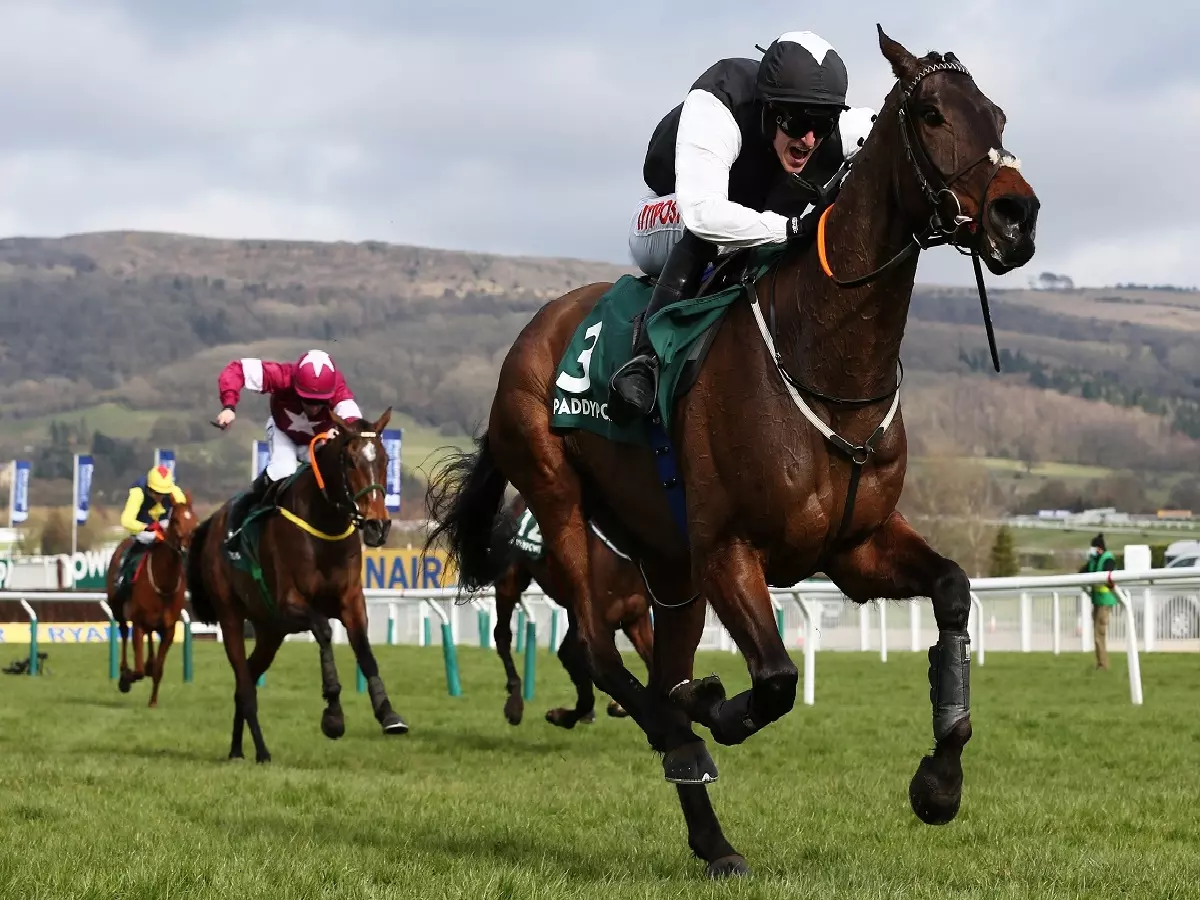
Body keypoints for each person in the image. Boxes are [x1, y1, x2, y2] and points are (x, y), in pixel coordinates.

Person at [609, 31, 878, 423]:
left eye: (822, 123)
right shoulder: (719, 102)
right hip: (669, 213)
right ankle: (645, 361)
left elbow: (899, 135)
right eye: (799, 121)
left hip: (748, 211)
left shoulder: (831, 126)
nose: (809, 138)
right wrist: (787, 229)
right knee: (712, 232)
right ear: (769, 109)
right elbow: (703, 212)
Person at [213, 348, 363, 551]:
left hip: (319, 439)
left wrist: (347, 435)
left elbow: (356, 423)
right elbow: (237, 369)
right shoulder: (282, 376)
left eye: (320, 402)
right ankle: (241, 514)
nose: (314, 407)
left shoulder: (339, 390)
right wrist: (229, 406)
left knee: (337, 469)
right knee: (283, 471)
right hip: (284, 432)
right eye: (308, 400)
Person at [113, 464, 187, 602]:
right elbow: (126, 520)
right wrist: (148, 529)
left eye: (163, 494)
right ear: (149, 488)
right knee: (140, 547)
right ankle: (122, 577)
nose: (160, 497)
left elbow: (183, 509)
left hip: (164, 526)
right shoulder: (138, 492)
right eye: (156, 493)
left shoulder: (173, 491)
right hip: (142, 529)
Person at [1080, 533, 1117, 670]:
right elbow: (1082, 572)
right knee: (1097, 635)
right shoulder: (1094, 560)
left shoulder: (1108, 560)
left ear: (1099, 548)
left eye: (1093, 547)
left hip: (1105, 601)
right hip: (1096, 600)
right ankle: (1100, 663)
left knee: (1098, 634)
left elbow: (1109, 574)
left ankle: (1103, 665)